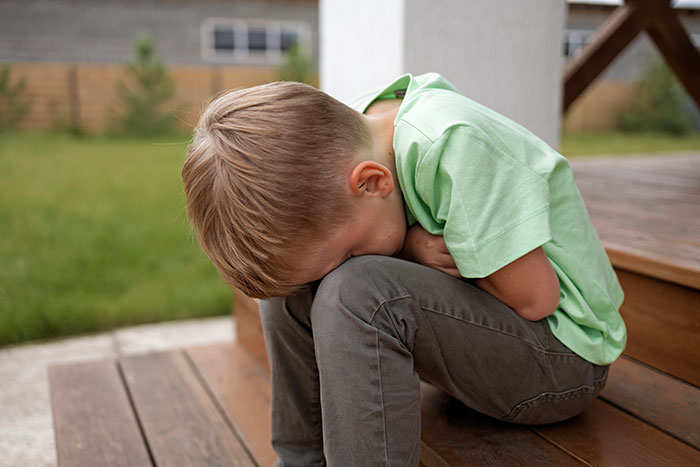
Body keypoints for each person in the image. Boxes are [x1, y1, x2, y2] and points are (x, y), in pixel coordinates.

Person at [182, 72, 626, 467]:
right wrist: (409, 250)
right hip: (491, 355)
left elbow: (535, 298)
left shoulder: (454, 143)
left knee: (356, 291)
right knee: (293, 290)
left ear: (372, 182)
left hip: (563, 360)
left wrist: (402, 252)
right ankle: (300, 459)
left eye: (347, 251)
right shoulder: (351, 135)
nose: (336, 272)